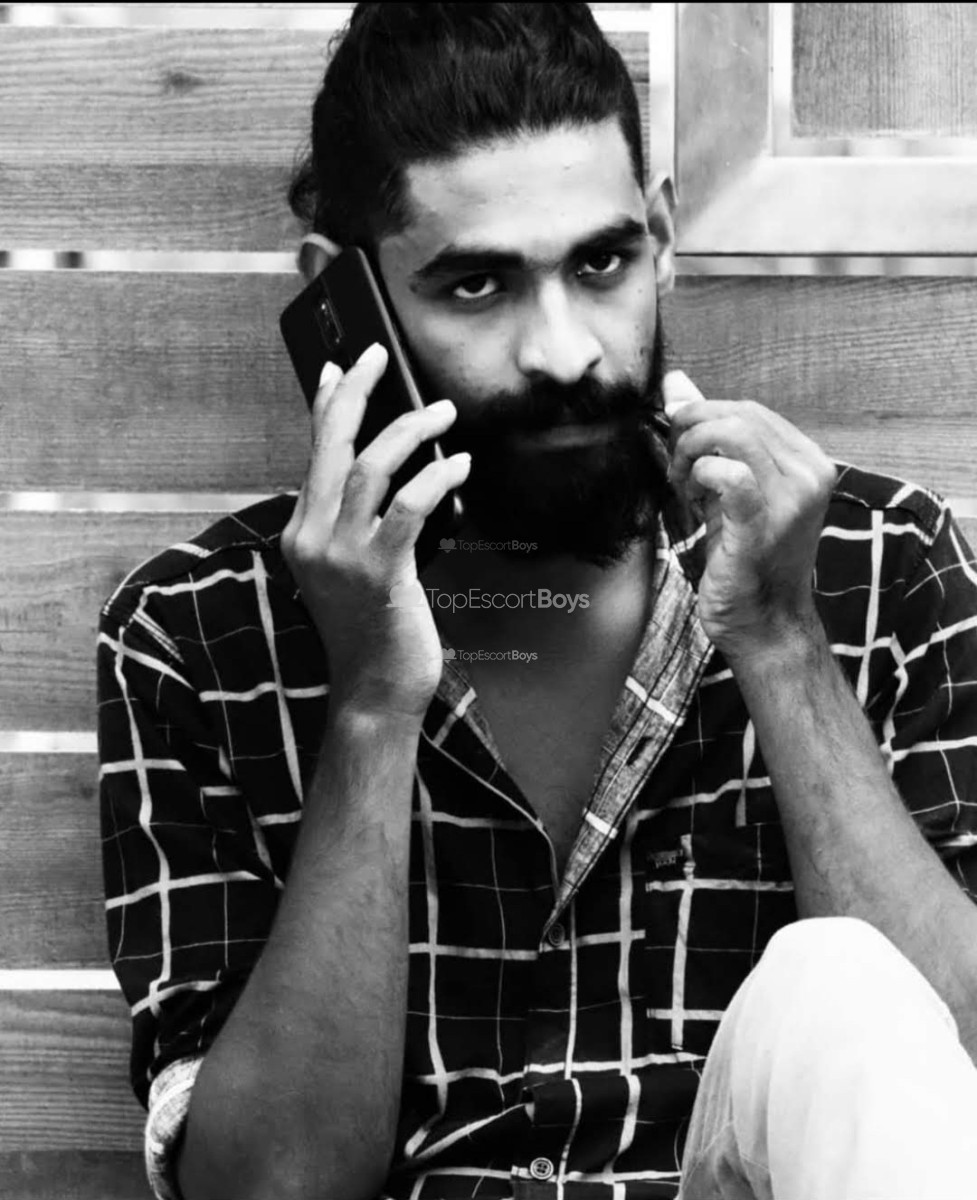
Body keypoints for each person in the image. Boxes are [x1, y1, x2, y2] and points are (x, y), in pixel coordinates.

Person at [97, 5, 977, 1199]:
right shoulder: (197, 633)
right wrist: (370, 706)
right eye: (476, 285)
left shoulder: (871, 562)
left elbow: (949, 1097)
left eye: (601, 264)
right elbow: (268, 1189)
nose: (563, 350)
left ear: (659, 236)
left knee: (843, 986)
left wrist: (778, 641)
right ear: (341, 306)